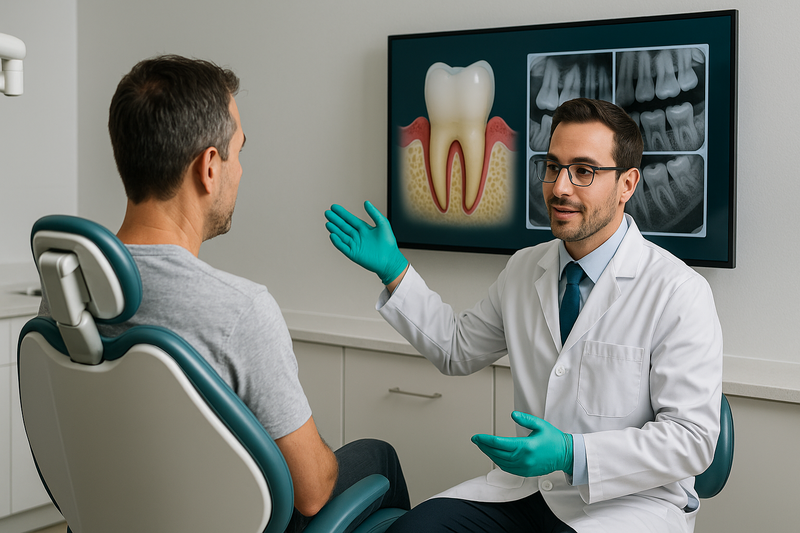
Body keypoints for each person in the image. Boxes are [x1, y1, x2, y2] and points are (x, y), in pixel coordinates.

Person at [40, 55, 409, 533]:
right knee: (378, 457)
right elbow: (313, 492)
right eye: (239, 151)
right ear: (209, 167)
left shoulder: (63, 292)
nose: (240, 170)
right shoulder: (240, 311)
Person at [324, 98, 722, 533]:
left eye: (583, 171)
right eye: (553, 166)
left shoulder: (678, 291)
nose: (560, 188)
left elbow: (692, 441)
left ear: (627, 184)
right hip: (529, 490)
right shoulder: (524, 267)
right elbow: (457, 350)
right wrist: (395, 271)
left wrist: (573, 454)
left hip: (627, 505)